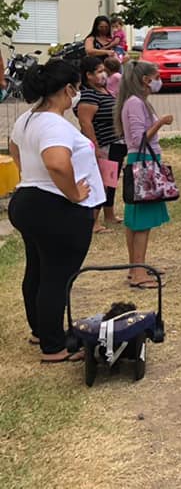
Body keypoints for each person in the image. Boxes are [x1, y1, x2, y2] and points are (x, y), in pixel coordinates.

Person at [8, 60, 106, 362]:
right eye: (76, 88)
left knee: (37, 270)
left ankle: (41, 330)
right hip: (53, 207)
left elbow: (14, 149)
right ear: (68, 89)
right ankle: (53, 345)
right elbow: (56, 162)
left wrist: (30, 177)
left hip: (29, 200)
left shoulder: (27, 118)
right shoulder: (54, 123)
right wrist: (75, 193)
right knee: (57, 276)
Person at [115, 60, 173, 289]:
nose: (158, 81)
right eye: (155, 77)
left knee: (135, 219)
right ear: (145, 80)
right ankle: (139, 273)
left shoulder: (133, 102)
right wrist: (160, 123)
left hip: (140, 160)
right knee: (141, 221)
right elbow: (140, 139)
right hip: (144, 162)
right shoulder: (136, 104)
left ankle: (136, 267)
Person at [75, 56, 126, 233]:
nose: (104, 74)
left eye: (104, 70)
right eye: (99, 71)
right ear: (88, 75)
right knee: (101, 182)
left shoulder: (105, 91)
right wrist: (95, 147)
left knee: (111, 181)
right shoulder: (89, 95)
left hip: (116, 142)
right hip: (104, 145)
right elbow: (86, 123)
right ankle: (93, 222)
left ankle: (109, 214)